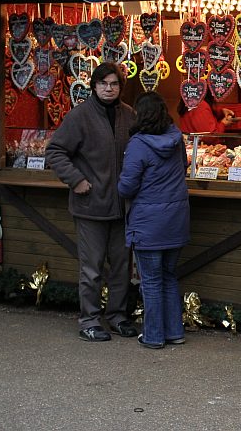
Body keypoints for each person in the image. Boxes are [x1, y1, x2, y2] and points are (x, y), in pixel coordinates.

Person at [45, 62, 138, 342]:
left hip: (122, 206)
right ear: (94, 86)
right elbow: (56, 151)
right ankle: (89, 320)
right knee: (92, 268)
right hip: (90, 205)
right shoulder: (80, 116)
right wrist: (76, 180)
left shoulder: (129, 115)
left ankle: (118, 316)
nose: (109, 89)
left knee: (122, 267)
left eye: (114, 84)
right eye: (103, 84)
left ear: (121, 87)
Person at [118, 92, 191, 349]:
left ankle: (153, 336)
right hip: (176, 218)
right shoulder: (176, 138)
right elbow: (183, 167)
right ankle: (174, 332)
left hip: (148, 222)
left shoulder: (138, 144)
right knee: (169, 277)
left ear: (140, 114)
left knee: (150, 281)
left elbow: (127, 186)